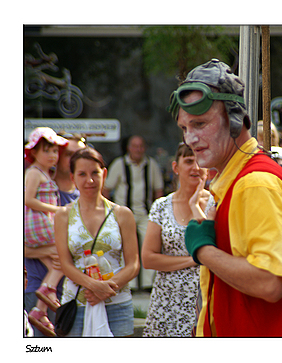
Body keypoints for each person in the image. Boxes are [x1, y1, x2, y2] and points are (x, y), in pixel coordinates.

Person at [169, 58, 282, 337]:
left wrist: (203, 250)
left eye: (200, 123)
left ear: (235, 119)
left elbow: (270, 283)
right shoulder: (237, 178)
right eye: (184, 128)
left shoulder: (255, 184)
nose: (191, 138)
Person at [54, 147, 140, 336]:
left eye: (95, 173)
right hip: (76, 304)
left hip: (117, 302)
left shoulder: (122, 214)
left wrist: (107, 288)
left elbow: (133, 264)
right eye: (82, 174)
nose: (89, 180)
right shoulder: (62, 215)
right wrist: (94, 286)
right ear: (72, 178)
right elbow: (66, 264)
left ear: (105, 174)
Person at [141, 143, 213, 337]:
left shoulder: (218, 202)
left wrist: (196, 206)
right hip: (167, 299)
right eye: (189, 161)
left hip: (206, 298)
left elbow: (215, 248)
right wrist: (193, 260)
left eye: (200, 161)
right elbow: (148, 259)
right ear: (175, 167)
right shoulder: (161, 206)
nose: (196, 167)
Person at [24, 132, 86, 337]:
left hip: (71, 291)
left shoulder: (85, 195)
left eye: (80, 155)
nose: (74, 160)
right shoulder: (37, 180)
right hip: (36, 284)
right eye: (68, 154)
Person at [103, 135, 164, 290]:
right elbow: (106, 189)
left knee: (149, 244)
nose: (138, 149)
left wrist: (159, 212)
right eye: (135, 146)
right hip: (123, 213)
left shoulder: (151, 165)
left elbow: (158, 190)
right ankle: (129, 282)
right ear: (128, 148)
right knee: (125, 245)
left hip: (145, 213)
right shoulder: (119, 164)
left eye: (141, 146)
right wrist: (109, 211)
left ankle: (148, 284)